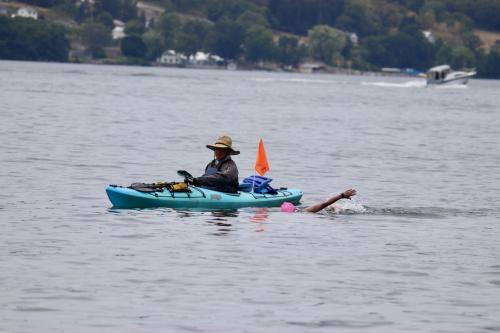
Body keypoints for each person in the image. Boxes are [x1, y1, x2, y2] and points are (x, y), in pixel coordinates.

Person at [281, 188, 357, 213]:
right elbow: (324, 204)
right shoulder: (305, 211)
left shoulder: (306, 211)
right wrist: (342, 195)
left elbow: (325, 204)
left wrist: (342, 195)